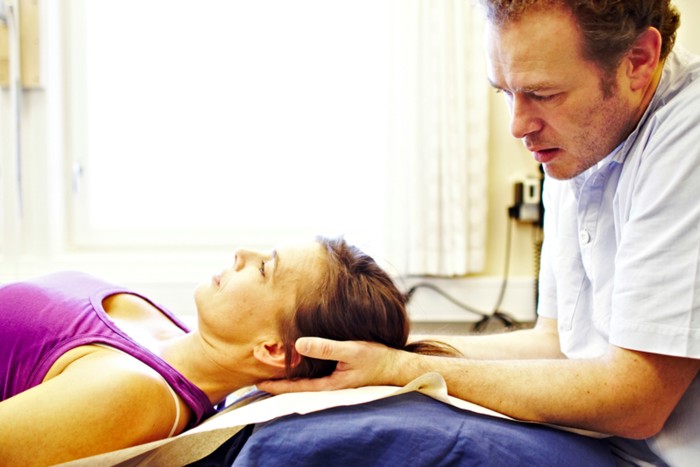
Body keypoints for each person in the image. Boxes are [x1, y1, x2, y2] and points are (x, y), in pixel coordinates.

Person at [259, 1, 700, 465]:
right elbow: (554, 344)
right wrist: (380, 355)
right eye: (505, 93)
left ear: (639, 61)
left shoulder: (686, 141)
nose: (519, 126)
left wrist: (403, 368)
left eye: (544, 94)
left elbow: (637, 400)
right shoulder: (579, 142)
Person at [0, 236, 452, 465]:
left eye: (264, 270)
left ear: (273, 350)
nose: (242, 254)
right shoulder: (177, 336)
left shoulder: (133, 394)